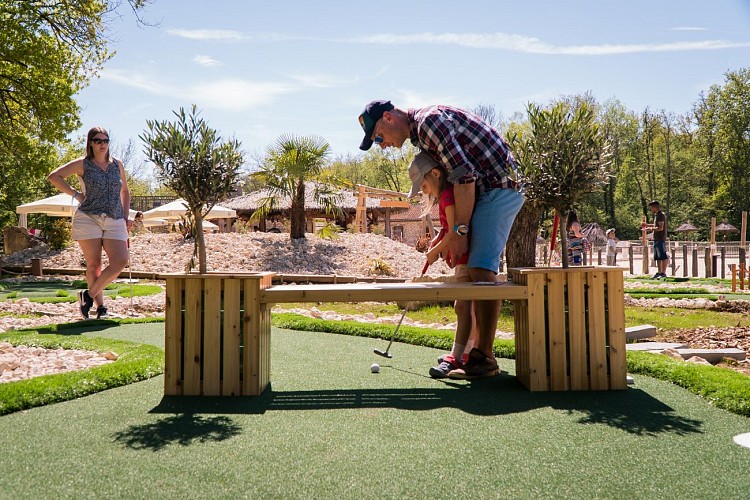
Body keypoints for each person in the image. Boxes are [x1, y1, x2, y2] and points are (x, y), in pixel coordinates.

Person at [358, 100, 524, 378]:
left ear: (387, 117)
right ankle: (475, 353)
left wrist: (460, 232)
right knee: (474, 272)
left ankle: (484, 357)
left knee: (481, 268)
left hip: (499, 187)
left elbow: (465, 177)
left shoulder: (429, 123)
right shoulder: (423, 136)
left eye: (378, 137)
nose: (381, 145)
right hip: (490, 189)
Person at [47, 127, 131, 319]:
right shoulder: (83, 164)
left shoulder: (117, 164)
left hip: (115, 218)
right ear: (91, 143)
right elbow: (54, 177)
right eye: (98, 140)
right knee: (94, 264)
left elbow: (125, 192)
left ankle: (88, 295)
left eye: (106, 140)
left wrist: (125, 217)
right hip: (88, 218)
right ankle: (101, 308)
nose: (103, 144)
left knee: (120, 261)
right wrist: (76, 195)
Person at [408, 153, 478, 378]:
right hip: (466, 256)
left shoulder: (448, 196)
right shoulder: (445, 197)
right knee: (465, 307)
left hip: (467, 256)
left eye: (423, 184)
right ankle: (465, 353)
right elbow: (447, 232)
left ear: (436, 174)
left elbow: (457, 230)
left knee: (462, 307)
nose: (422, 190)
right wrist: (437, 244)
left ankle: (457, 357)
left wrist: (434, 253)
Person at [642, 200, 668, 279]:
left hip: (660, 238)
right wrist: (647, 225)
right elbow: (655, 225)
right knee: (657, 257)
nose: (650, 209)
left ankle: (663, 273)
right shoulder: (657, 215)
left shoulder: (661, 215)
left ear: (655, 207)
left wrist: (650, 228)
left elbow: (660, 228)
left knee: (662, 256)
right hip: (656, 239)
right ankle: (659, 272)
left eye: (651, 208)